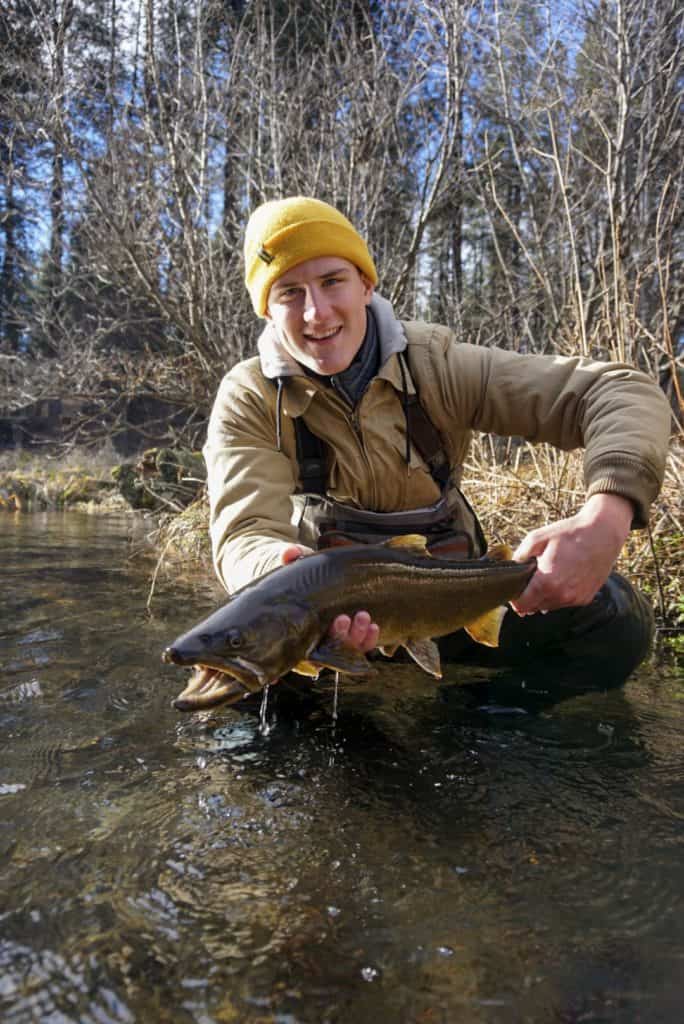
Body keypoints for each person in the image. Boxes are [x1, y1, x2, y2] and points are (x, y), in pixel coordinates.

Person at [203, 196, 671, 684]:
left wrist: (606, 516)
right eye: (289, 293)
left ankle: (486, 722)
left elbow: (620, 390)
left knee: (616, 618)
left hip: (456, 603)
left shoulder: (438, 366)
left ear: (365, 284)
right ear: (267, 311)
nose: (316, 312)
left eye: (331, 281)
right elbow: (244, 532)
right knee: (237, 658)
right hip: (326, 622)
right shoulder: (252, 398)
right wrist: (284, 577)